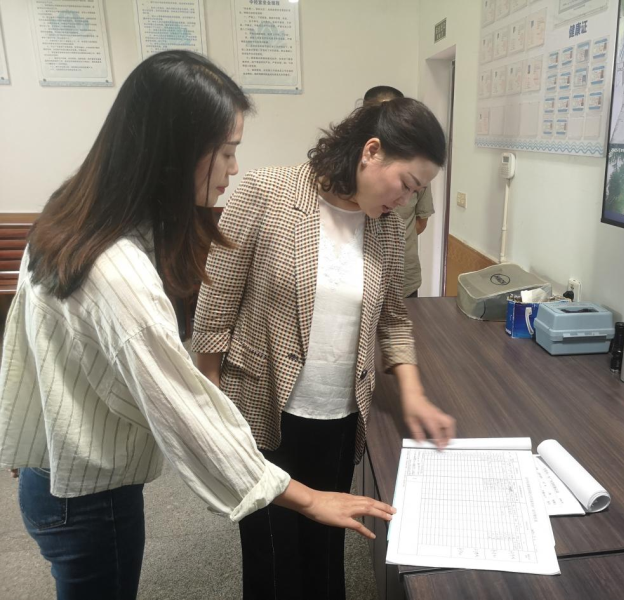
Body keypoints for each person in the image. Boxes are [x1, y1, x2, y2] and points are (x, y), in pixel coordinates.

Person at [0, 50, 394, 600]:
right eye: (226, 151)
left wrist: (26, 441)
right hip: (89, 494)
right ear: (175, 151)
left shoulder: (67, 216)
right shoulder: (117, 271)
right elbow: (183, 413)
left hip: (54, 472)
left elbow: (26, 347)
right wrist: (308, 499)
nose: (234, 168)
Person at [192, 97, 456, 600]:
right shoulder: (268, 192)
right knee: (272, 560)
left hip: (339, 416)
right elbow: (216, 302)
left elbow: (393, 319)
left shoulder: (385, 226)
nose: (406, 200)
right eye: (406, 184)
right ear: (371, 152)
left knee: (326, 551)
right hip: (262, 409)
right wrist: (211, 403)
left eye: (416, 192)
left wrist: (414, 394)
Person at [363, 85, 436, 298]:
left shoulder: (416, 169)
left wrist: (392, 241)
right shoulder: (356, 164)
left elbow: (420, 222)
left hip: (403, 275)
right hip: (360, 278)